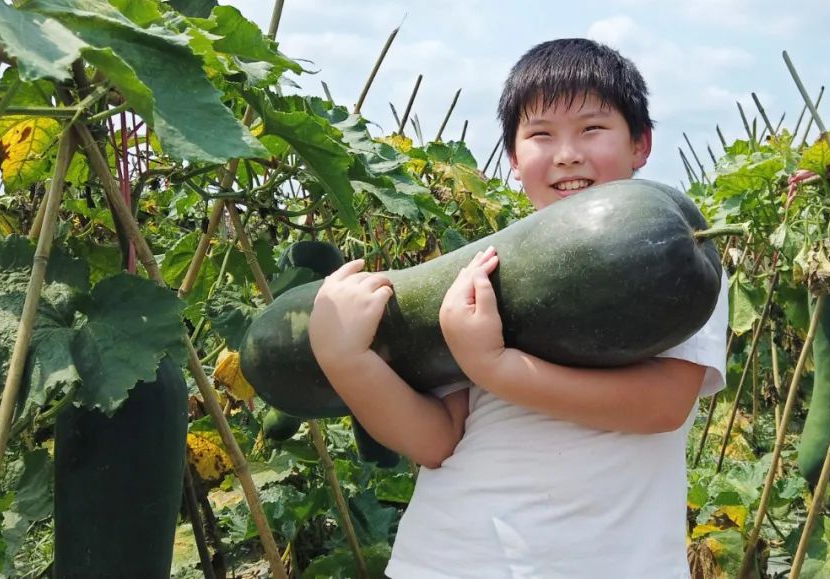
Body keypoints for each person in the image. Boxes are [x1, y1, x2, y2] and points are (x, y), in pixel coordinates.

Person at [309, 38, 729, 578]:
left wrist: (495, 367)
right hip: (445, 561)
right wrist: (347, 362)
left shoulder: (671, 252)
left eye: (592, 129)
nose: (567, 153)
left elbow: (662, 406)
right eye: (540, 135)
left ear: (640, 145)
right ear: (513, 158)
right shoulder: (482, 273)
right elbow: (437, 440)